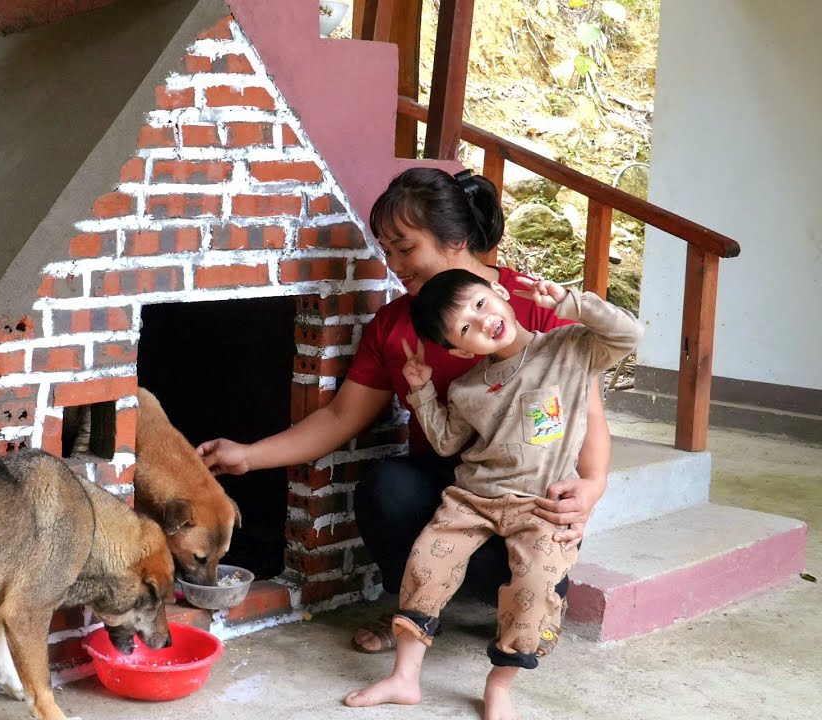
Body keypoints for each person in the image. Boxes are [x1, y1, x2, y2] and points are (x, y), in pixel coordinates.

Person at [196, 167, 612, 653]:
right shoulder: (392, 327)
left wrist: (592, 486)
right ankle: (416, 612)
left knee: (501, 573)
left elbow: (591, 414)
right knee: (386, 488)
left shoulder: (532, 304)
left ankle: (519, 602)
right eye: (386, 250)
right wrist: (248, 456)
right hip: (454, 490)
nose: (393, 262)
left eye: (405, 247)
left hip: (531, 494)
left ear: (455, 238)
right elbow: (338, 418)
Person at [342, 268, 641, 719]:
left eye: (480, 304)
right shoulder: (467, 387)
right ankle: (405, 678)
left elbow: (630, 332)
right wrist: (421, 390)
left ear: (500, 292)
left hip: (541, 506)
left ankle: (499, 686)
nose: (482, 321)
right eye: (465, 327)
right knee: (426, 563)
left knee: (536, 585)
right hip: (472, 500)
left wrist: (570, 302)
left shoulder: (571, 347)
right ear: (462, 349)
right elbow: (445, 443)